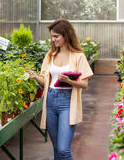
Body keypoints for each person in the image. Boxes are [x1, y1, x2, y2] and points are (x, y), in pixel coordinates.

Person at [27, 19, 93, 160]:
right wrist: (34, 77)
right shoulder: (50, 55)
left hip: (67, 102)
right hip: (50, 101)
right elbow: (45, 81)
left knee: (63, 150)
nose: (53, 39)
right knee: (57, 149)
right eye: (51, 36)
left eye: (56, 36)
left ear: (66, 36)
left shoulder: (78, 56)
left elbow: (85, 83)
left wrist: (68, 81)